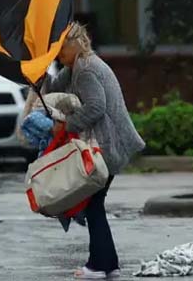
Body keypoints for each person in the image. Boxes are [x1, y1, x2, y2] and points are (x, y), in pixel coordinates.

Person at [46, 23, 146, 279]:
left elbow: (96, 107)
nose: (57, 54)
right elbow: (54, 88)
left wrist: (66, 126)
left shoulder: (87, 69)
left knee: (93, 204)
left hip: (108, 144)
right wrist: (37, 74)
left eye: (60, 49)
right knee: (94, 203)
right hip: (105, 143)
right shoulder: (75, 67)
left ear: (74, 45)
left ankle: (99, 266)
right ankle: (106, 264)